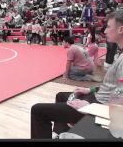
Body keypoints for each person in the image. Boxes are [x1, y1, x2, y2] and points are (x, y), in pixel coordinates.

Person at [30, 10, 123, 139]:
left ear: (120, 29)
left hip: (100, 104)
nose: (105, 31)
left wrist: (92, 108)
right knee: (61, 96)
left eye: (108, 27)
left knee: (37, 110)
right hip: (98, 96)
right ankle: (59, 134)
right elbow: (113, 87)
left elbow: (120, 99)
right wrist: (89, 89)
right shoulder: (119, 54)